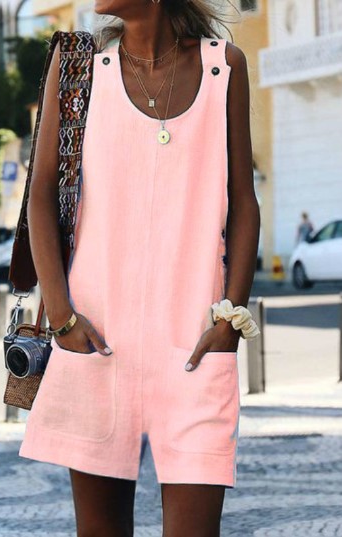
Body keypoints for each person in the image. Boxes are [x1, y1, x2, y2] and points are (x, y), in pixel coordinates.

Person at [18, 1, 261, 535]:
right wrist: (61, 318)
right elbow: (40, 194)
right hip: (95, 342)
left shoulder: (224, 67)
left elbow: (244, 202)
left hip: (195, 348)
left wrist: (230, 321)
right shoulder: (78, 68)